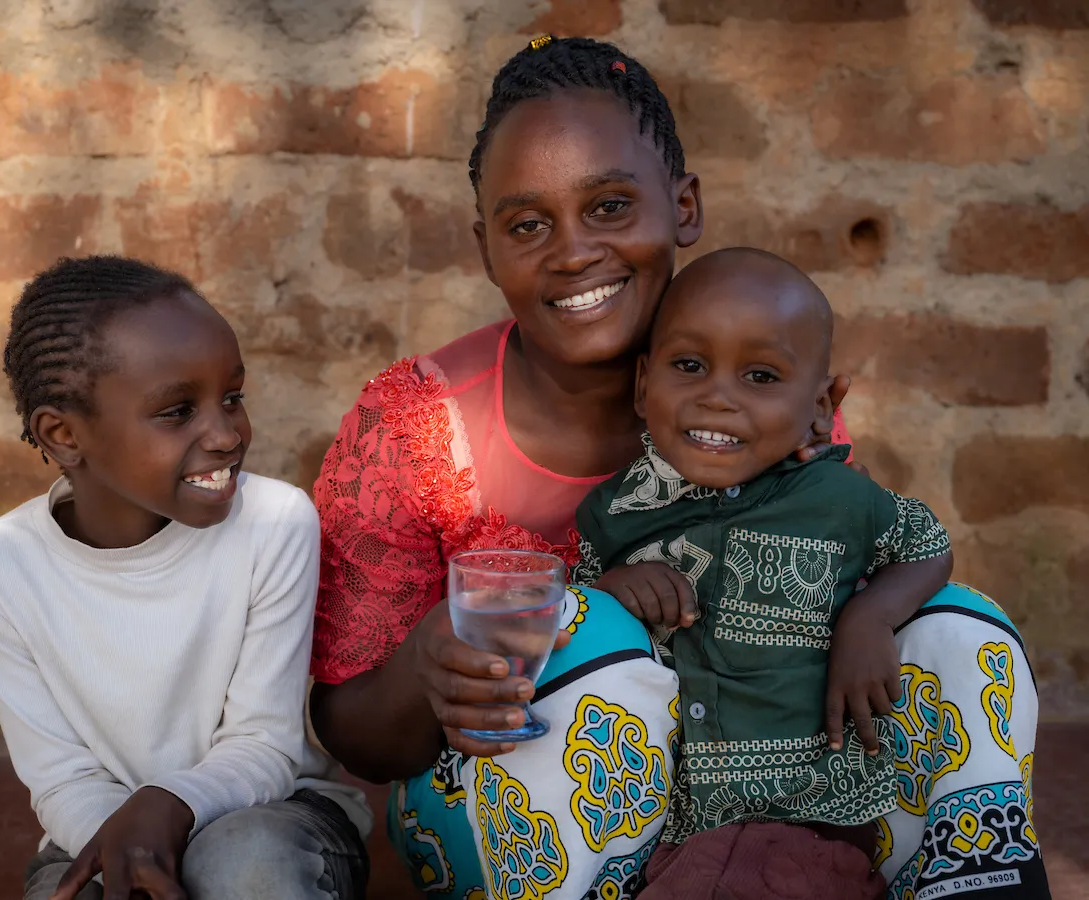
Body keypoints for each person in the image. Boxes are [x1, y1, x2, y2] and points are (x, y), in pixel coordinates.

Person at [309, 35, 1048, 900]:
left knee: (957, 627)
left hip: (776, 797)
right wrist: (426, 669)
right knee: (591, 639)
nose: (574, 251)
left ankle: (968, 879)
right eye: (527, 224)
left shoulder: (766, 389)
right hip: (527, 824)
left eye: (611, 206)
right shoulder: (410, 429)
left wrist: (871, 619)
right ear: (485, 248)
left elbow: (858, 562)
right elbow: (351, 733)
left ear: (684, 207)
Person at [0, 257, 370, 900]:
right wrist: (135, 846)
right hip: (95, 828)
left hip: (276, 814)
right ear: (62, 435)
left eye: (232, 398)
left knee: (241, 864)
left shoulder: (275, 522)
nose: (226, 435)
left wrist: (170, 807)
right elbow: (61, 779)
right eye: (177, 411)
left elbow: (265, 745)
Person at [573, 247, 953, 899]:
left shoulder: (838, 500)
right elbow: (569, 634)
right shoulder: (613, 515)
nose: (717, 396)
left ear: (821, 405)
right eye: (689, 365)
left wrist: (870, 617)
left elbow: (929, 545)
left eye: (761, 376)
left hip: (812, 820)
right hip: (659, 829)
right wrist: (607, 599)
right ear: (643, 384)